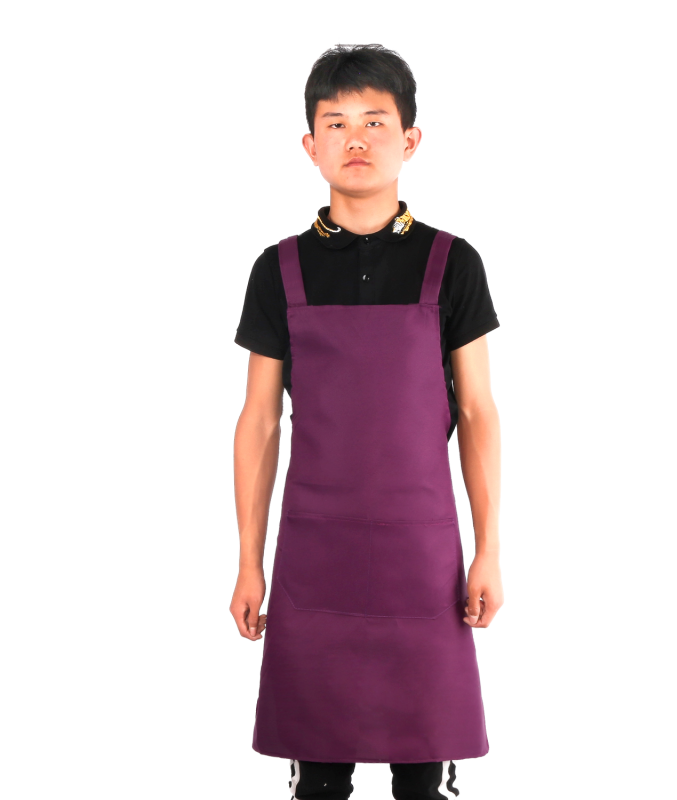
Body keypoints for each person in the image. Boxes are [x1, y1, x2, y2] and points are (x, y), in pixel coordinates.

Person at [230, 44, 503, 800]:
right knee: (317, 783)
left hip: (424, 557)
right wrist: (249, 561)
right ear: (310, 145)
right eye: (337, 123)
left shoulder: (452, 263)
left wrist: (488, 551)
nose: (356, 139)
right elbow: (259, 421)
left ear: (409, 140)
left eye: (375, 121)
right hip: (315, 553)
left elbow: (478, 411)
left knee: (422, 781)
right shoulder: (279, 268)